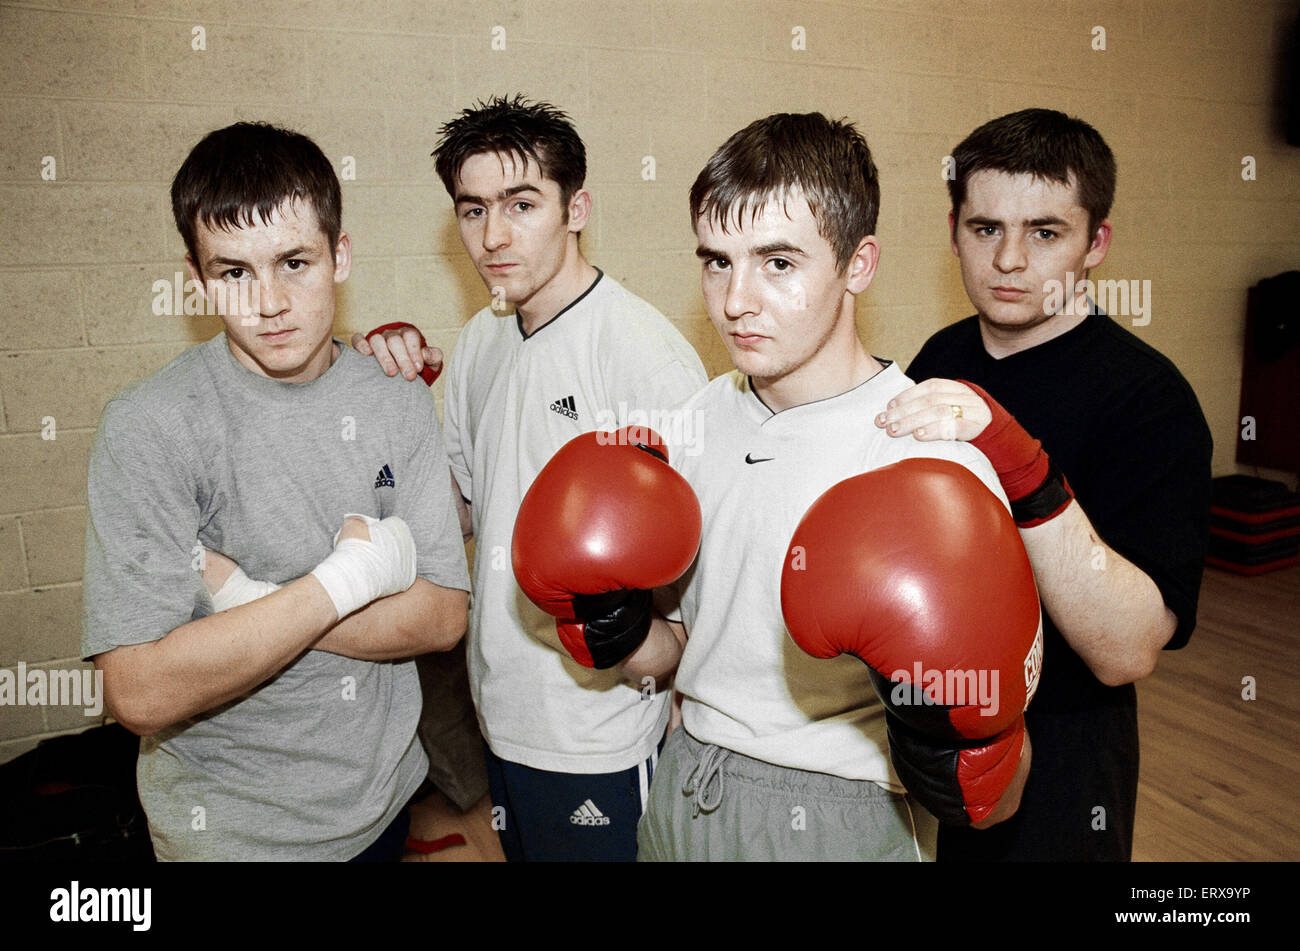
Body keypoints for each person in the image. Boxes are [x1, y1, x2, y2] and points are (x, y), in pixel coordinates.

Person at [613, 112, 1036, 861]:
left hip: (838, 813)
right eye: (716, 261)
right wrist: (610, 624)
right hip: (684, 788)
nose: (736, 299)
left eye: (778, 263)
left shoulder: (924, 456)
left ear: (858, 263)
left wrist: (952, 755)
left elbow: (1002, 789)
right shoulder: (695, 423)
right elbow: (675, 649)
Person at [82, 122, 470, 861]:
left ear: (340, 255)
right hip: (230, 834)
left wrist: (245, 599)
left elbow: (442, 614)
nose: (269, 302)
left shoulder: (395, 396)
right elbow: (139, 691)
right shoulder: (150, 427)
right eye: (234, 272)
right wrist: (354, 577)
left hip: (383, 804)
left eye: (295, 261)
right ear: (196, 279)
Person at [354, 95, 707, 861]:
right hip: (504, 716)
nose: (494, 236)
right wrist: (396, 405)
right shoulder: (482, 337)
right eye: (473, 210)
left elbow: (705, 571)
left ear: (576, 207)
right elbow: (464, 515)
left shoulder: (641, 352)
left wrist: (678, 683)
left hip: (603, 733)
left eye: (522, 204)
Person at [878, 108, 1212, 861]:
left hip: (1065, 748)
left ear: (1097, 243)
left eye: (1046, 232)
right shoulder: (941, 355)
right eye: (986, 227)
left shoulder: (1149, 400)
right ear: (954, 230)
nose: (1008, 260)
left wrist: (1017, 458)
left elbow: (1126, 651)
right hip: (934, 727)